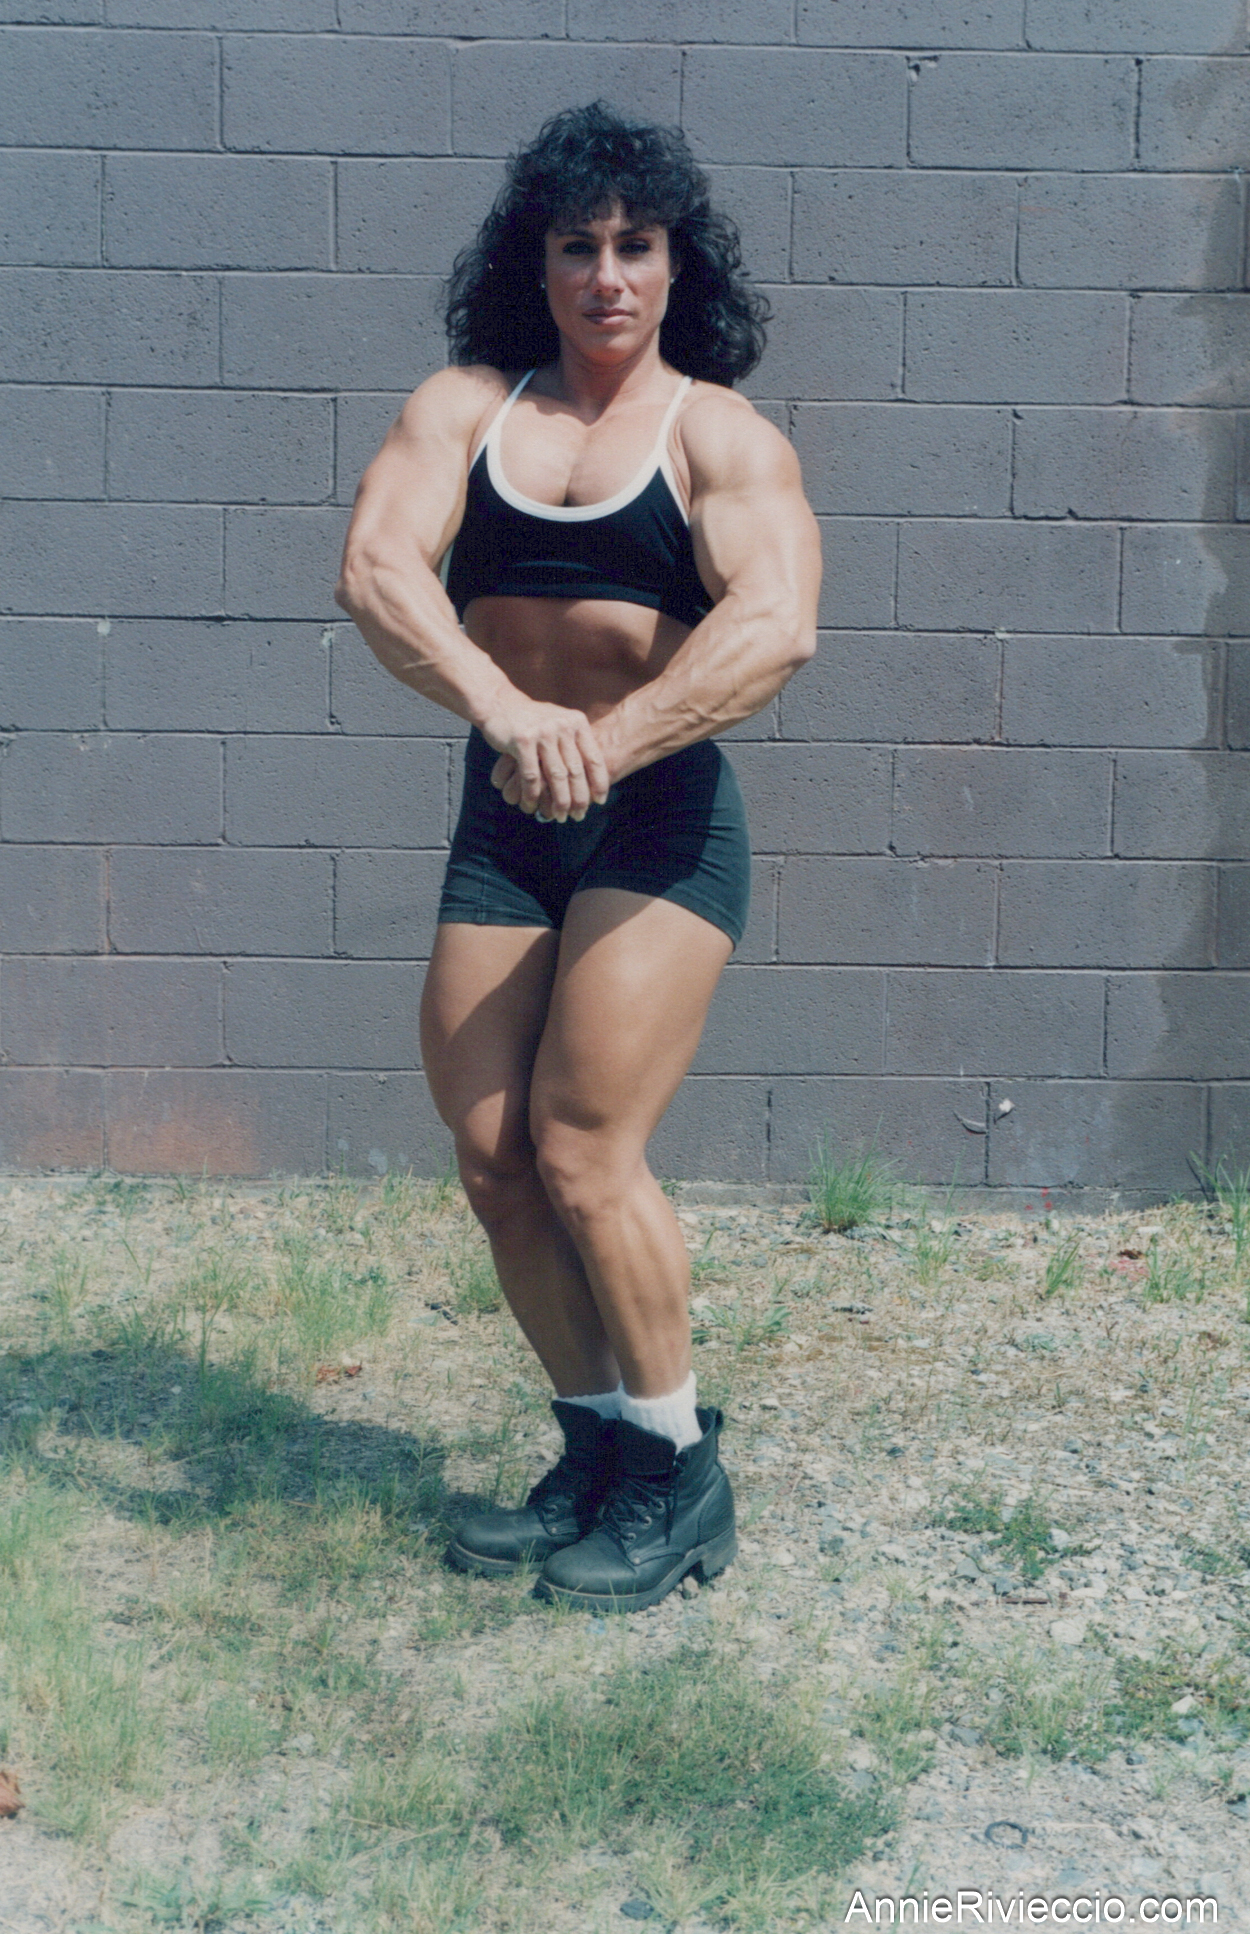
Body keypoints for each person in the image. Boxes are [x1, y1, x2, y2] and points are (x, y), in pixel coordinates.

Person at [336, 102, 820, 1613]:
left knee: (585, 1150)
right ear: (532, 265)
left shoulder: (718, 436)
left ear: (678, 268)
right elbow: (376, 570)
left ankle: (679, 1473)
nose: (608, 275)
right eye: (577, 246)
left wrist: (607, 743)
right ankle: (598, 1445)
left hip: (657, 822)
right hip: (509, 819)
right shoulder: (464, 411)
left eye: (637, 246)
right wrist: (506, 710)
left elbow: (774, 626)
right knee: (496, 1160)